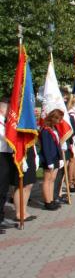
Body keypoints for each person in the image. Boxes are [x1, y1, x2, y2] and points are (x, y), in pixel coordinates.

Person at [39, 109, 64, 211]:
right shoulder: (45, 130)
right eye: (59, 119)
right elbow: (45, 147)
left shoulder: (54, 128)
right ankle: (47, 202)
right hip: (49, 158)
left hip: (56, 157)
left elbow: (57, 144)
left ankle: (51, 199)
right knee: (47, 180)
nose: (60, 121)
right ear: (54, 118)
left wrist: (61, 158)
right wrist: (49, 161)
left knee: (52, 179)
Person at [0, 98, 16, 232]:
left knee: (4, 189)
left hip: (5, 156)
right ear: (2, 109)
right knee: (0, 189)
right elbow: (7, 137)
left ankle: (1, 217)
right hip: (1, 156)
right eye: (9, 109)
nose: (10, 112)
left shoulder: (5, 123)